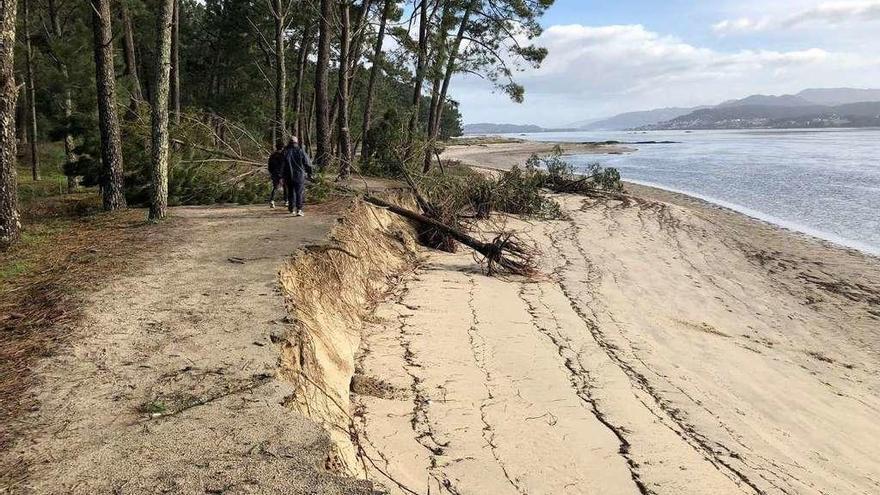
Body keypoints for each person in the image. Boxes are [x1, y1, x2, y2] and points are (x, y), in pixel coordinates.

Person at [282, 136, 313, 216]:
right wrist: (310, 173)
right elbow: (307, 163)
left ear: (289, 142)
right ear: (296, 142)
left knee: (290, 192)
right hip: (299, 176)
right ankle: (299, 209)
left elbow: (282, 165)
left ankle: (291, 208)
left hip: (288, 176)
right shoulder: (300, 151)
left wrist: (281, 175)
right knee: (299, 193)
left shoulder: (285, 152)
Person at [267, 141, 287, 208]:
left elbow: (269, 166)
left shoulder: (272, 155)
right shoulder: (284, 155)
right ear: (282, 147)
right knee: (285, 186)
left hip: (274, 173)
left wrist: (271, 172)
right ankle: (286, 200)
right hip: (283, 173)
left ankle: (272, 200)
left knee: (275, 187)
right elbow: (285, 165)